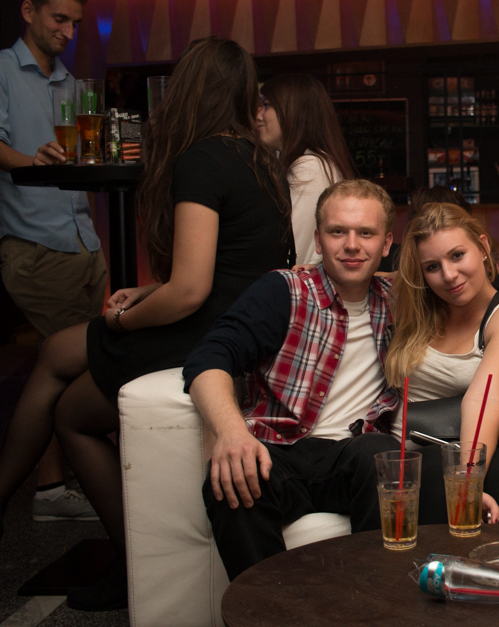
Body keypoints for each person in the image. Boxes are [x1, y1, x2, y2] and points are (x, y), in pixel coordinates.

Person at [0, 36, 293, 610]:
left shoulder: (201, 158)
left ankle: (131, 561)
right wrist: (146, 292)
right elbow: (230, 267)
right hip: (240, 323)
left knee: (68, 403)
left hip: (205, 331)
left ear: (188, 91)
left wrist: (126, 322)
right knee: (58, 358)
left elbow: (191, 290)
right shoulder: (260, 159)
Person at [184, 179, 401, 580]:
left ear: (387, 243)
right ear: (318, 240)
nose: (352, 245)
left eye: (366, 233)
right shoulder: (285, 291)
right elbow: (208, 357)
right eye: (338, 232)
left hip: (354, 454)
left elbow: (473, 286)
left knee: (382, 456)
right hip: (279, 452)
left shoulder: (400, 298)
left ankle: (377, 602)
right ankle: (269, 607)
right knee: (230, 479)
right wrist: (231, 433)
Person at [0, 0, 106, 523]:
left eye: (75, 23)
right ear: (28, 11)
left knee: (67, 364)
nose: (68, 31)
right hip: (35, 243)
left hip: (83, 240)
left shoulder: (71, 83)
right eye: (58, 18)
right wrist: (30, 161)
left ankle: (55, 484)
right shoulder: (2, 69)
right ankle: (51, 486)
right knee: (69, 364)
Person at [386, 202, 499, 525]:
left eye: (457, 255)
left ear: (483, 247)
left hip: (459, 453)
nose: (449, 275)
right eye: (432, 267)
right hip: (398, 454)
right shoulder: (417, 307)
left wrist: (466, 481)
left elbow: (485, 398)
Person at [258, 73, 355, 264]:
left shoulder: (310, 167)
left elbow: (292, 250)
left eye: (266, 105)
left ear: (293, 111)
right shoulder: (313, 163)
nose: (258, 116)